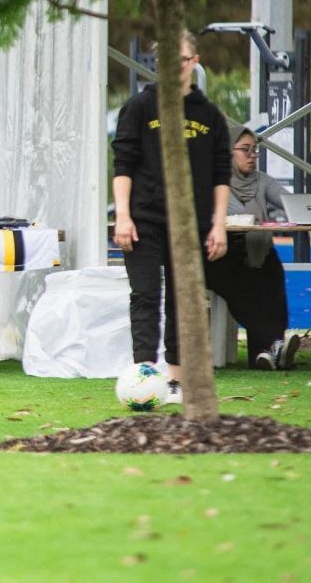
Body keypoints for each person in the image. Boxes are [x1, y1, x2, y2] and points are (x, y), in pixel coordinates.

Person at [111, 32, 231, 405]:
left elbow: (220, 173)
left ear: (194, 61)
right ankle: (144, 378)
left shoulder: (209, 115)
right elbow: (124, 164)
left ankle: (177, 380)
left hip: (190, 223)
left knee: (184, 299)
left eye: (181, 60)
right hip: (144, 220)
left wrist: (219, 223)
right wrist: (123, 216)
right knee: (145, 296)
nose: (174, 68)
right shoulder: (141, 107)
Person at [205, 126, 301, 370]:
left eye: (254, 150)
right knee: (244, 287)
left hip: (258, 252)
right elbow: (236, 214)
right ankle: (275, 344)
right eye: (245, 150)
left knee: (273, 272)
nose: (252, 155)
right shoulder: (217, 182)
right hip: (222, 254)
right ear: (228, 153)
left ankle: (267, 354)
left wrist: (301, 209)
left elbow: (288, 202)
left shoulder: (262, 181)